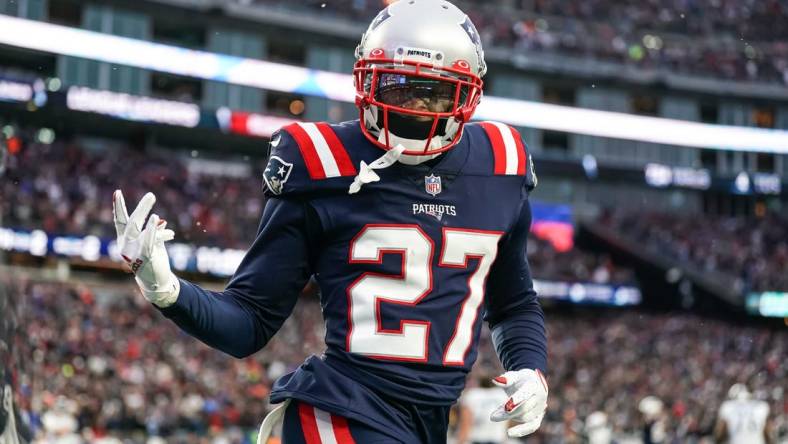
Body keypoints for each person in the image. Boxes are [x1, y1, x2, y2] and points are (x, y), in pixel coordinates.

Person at [112, 1, 547, 442]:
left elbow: (512, 304)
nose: (414, 108)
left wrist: (529, 366)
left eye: (432, 93)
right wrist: (167, 290)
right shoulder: (320, 160)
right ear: (365, 78)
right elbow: (249, 321)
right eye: (397, 87)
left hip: (427, 423)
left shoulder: (501, 165)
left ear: (469, 96)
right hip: (340, 414)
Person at [455, 375, 509, 444]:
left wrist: (460, 441)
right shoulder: (503, 395)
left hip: (477, 439)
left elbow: (466, 422)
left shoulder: (472, 395)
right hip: (497, 439)